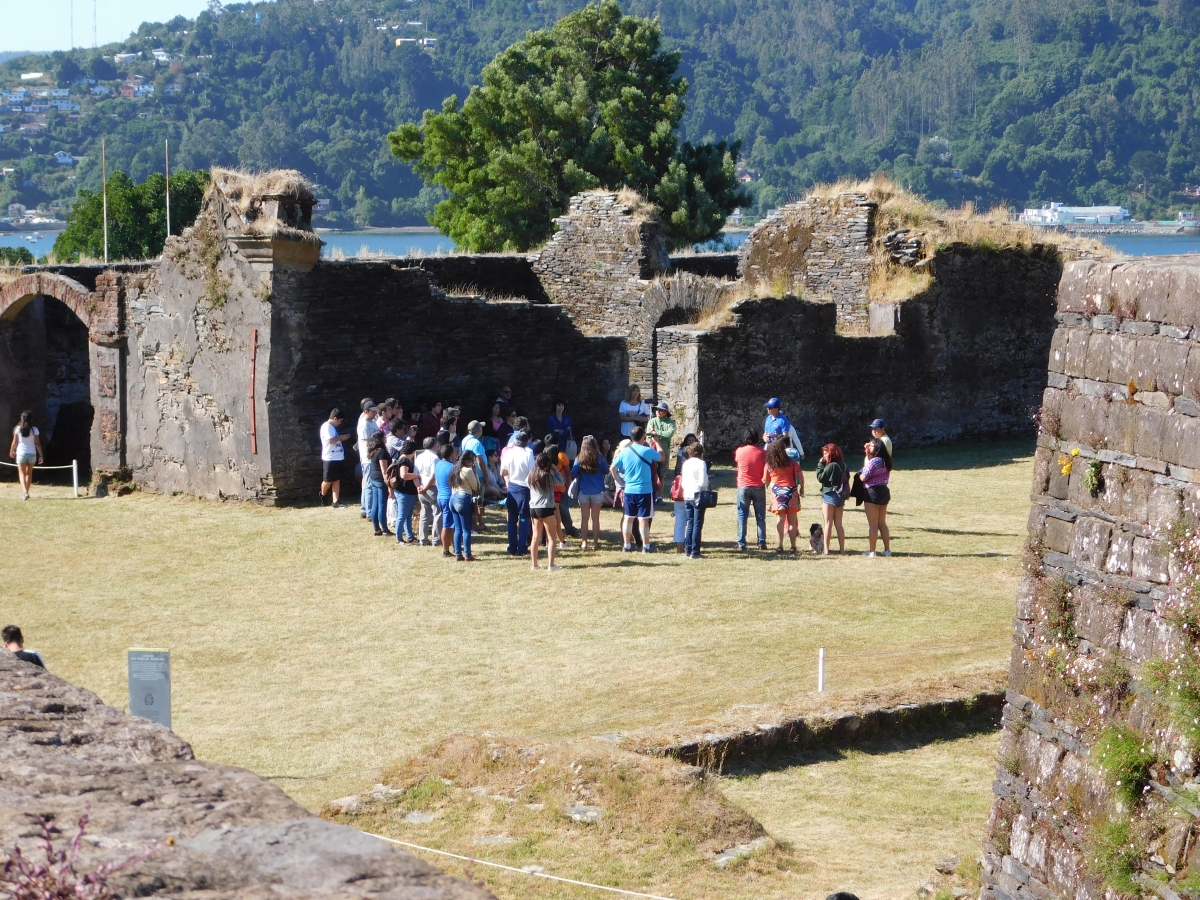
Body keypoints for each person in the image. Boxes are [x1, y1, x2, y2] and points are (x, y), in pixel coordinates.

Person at [613, 425, 661, 553]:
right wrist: (657, 442)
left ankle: (627, 545)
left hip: (629, 490)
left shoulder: (624, 452)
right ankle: (646, 546)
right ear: (643, 437)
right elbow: (662, 457)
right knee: (643, 519)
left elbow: (613, 468)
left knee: (628, 518)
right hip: (645, 490)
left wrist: (621, 482)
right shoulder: (646, 450)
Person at [765, 437, 803, 553]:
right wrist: (802, 490)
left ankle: (780, 545)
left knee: (780, 520)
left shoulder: (769, 464)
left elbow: (766, 480)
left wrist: (767, 485)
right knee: (792, 521)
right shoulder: (792, 462)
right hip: (791, 491)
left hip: (777, 493)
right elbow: (800, 477)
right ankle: (793, 546)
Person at [571, 435, 609, 551]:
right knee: (595, 518)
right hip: (597, 491)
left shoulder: (579, 458)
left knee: (584, 519)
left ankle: (584, 542)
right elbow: (606, 470)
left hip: (584, 491)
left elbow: (573, 473)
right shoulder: (599, 458)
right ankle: (596, 543)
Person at [528, 451, 564, 571]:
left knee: (535, 537)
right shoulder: (547, 476)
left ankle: (534, 565)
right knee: (552, 538)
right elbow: (560, 482)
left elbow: (526, 484)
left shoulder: (531, 474)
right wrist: (555, 469)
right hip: (546, 507)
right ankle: (551, 565)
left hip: (533, 508)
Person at [501, 430, 535, 555]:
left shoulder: (508, 453)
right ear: (526, 442)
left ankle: (512, 546)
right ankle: (522, 547)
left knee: (512, 518)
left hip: (512, 486)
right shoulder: (529, 453)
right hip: (524, 487)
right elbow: (532, 472)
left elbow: (502, 472)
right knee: (524, 517)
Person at [734, 428, 767, 551]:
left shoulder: (739, 451)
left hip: (743, 485)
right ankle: (762, 542)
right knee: (760, 516)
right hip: (758, 485)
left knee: (742, 515)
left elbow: (738, 463)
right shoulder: (761, 452)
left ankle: (741, 543)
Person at [861, 438, 893, 556]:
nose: (870, 446)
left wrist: (867, 456)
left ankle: (872, 551)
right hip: (884, 491)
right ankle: (887, 550)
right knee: (882, 523)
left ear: (878, 448)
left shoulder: (874, 461)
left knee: (873, 524)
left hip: (872, 492)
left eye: (873, 445)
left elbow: (864, 476)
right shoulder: (886, 461)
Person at [449, 450, 482, 561]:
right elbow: (476, 487)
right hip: (463, 499)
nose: (473, 463)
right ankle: (467, 555)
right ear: (468, 460)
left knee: (458, 529)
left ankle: (458, 554)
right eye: (473, 461)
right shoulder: (468, 471)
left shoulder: (454, 469)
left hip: (453, 499)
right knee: (467, 529)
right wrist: (476, 473)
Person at [815, 443, 848, 554]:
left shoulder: (831, 466)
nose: (824, 456)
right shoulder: (843, 465)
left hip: (829, 495)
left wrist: (820, 464)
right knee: (839, 524)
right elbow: (847, 477)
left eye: (825, 453)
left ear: (831, 454)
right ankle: (842, 550)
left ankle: (826, 549)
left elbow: (820, 477)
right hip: (840, 496)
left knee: (828, 524)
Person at [680, 442, 710, 559]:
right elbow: (702, 482)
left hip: (687, 494)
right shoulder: (701, 463)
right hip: (698, 494)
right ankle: (695, 551)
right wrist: (707, 483)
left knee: (690, 523)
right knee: (697, 523)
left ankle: (688, 549)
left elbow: (683, 481)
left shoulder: (686, 463)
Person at [545, 435, 577, 541]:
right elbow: (567, 473)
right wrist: (569, 485)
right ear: (557, 444)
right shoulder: (561, 455)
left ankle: (548, 533)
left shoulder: (543, 455)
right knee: (563, 510)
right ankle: (569, 529)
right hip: (560, 488)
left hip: (546, 489)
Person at [318, 408, 351, 507]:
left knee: (337, 479)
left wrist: (341, 438)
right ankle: (323, 495)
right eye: (340, 421)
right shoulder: (326, 427)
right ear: (335, 418)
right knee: (328, 480)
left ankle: (335, 501)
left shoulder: (332, 427)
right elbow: (331, 441)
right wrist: (341, 437)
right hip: (330, 457)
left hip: (338, 457)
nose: (340, 423)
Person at [672, 433, 698, 553]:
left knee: (680, 520)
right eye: (689, 440)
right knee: (690, 520)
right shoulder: (697, 461)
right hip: (691, 492)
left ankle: (680, 547)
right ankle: (689, 545)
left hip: (681, 488)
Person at [9, 410, 43, 502]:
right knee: (29, 473)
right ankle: (26, 492)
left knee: (22, 473)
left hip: (21, 453)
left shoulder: (18, 429)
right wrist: (41, 455)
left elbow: (14, 442)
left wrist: (12, 450)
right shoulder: (35, 429)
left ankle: (24, 492)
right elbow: (38, 443)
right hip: (32, 453)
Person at [646, 401, 677, 501]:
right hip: (651, 452)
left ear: (666, 412)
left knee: (661, 475)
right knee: (651, 474)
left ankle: (659, 496)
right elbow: (648, 433)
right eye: (657, 410)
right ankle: (652, 495)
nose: (658, 411)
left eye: (661, 410)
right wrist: (656, 434)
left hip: (665, 452)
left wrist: (657, 433)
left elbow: (669, 434)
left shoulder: (671, 423)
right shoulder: (652, 421)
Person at [391, 439, 420, 544]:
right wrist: (417, 475)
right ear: (411, 451)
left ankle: (410, 537)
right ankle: (398, 539)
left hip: (405, 492)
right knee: (402, 516)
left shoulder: (401, 459)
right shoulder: (404, 461)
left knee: (407, 516)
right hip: (404, 492)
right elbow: (404, 475)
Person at [415, 437, 442, 546]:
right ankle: (436, 539)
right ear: (434, 445)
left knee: (424, 515)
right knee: (437, 514)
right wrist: (425, 487)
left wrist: (419, 487)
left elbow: (415, 474)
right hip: (431, 488)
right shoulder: (435, 457)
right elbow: (434, 476)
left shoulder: (419, 456)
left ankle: (423, 539)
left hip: (421, 487)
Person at [364, 432, 391, 536]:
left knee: (375, 504)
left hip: (373, 479)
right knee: (382, 505)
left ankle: (377, 529)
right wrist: (389, 485)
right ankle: (384, 529)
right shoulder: (382, 452)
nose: (386, 438)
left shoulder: (374, 451)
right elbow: (384, 470)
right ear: (381, 439)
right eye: (384, 436)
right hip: (380, 480)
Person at [356, 399, 379, 518]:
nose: (375, 413)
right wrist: (378, 449)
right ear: (366, 411)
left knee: (368, 484)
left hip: (372, 458)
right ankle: (369, 511)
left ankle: (365, 509)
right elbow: (368, 443)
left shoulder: (372, 422)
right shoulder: (364, 424)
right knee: (369, 485)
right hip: (368, 459)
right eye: (373, 412)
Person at [434, 443, 457, 556]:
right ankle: (445, 550)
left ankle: (454, 546)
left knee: (450, 524)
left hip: (440, 496)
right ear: (451, 454)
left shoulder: (438, 464)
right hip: (448, 498)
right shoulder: (452, 468)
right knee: (447, 525)